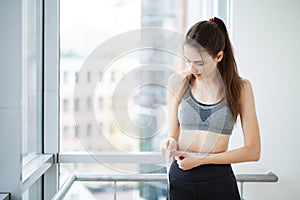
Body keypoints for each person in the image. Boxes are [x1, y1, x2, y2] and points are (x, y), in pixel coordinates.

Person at [161, 17, 261, 200]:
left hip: (218, 181)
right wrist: (170, 143)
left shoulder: (241, 88)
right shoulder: (178, 82)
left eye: (199, 63)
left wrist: (201, 160)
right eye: (188, 61)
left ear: (219, 57)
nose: (192, 69)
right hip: (181, 179)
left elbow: (253, 151)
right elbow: (173, 135)